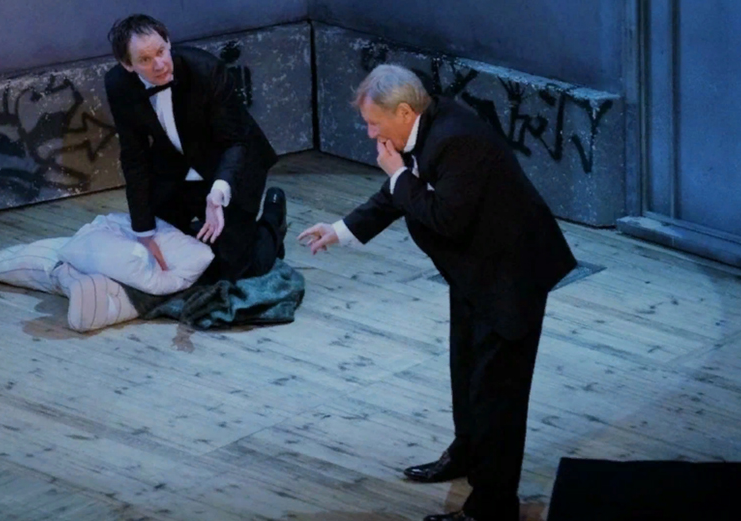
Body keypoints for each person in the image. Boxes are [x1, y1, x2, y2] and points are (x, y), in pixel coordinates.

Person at [298, 64, 576, 521]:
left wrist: (398, 176)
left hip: (510, 277)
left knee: (497, 396)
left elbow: (444, 216)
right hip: (473, 272)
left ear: (404, 112)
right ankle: (467, 454)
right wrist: (341, 230)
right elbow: (398, 191)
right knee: (465, 373)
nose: (370, 134)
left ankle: (491, 508)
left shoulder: (456, 140)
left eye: (374, 123)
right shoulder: (426, 125)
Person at [105, 14, 286, 284]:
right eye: (145, 59)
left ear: (168, 42)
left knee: (237, 269)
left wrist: (218, 192)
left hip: (230, 165)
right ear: (127, 64)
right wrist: (144, 231)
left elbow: (236, 141)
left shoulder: (206, 69)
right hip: (175, 167)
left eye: (161, 51)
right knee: (158, 256)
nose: (159, 65)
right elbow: (134, 156)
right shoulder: (118, 84)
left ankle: (273, 218)